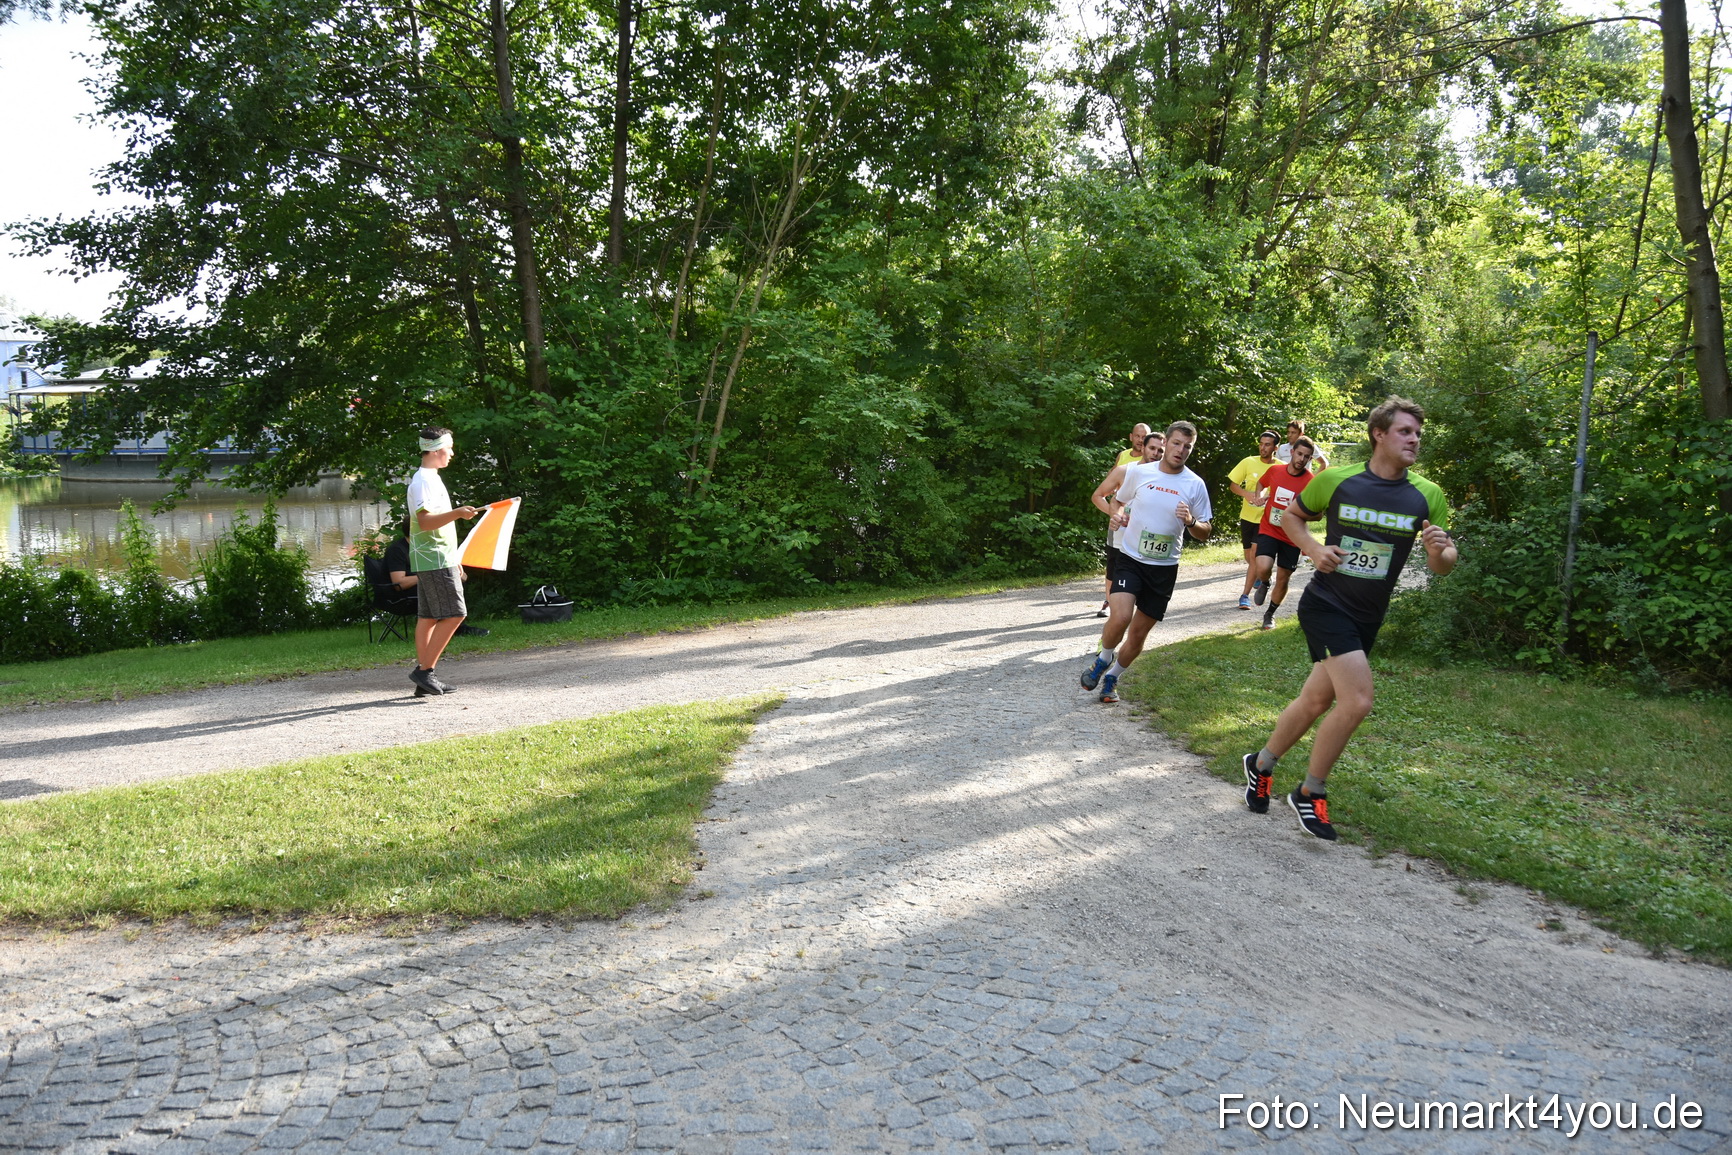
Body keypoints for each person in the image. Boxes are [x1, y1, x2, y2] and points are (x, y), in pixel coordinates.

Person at [1240, 398, 1456, 839]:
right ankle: (1309, 791)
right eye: (1405, 432)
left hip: (1369, 615)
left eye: (1418, 433)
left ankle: (1260, 764)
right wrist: (1315, 550)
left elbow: (1444, 563)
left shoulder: (1427, 495)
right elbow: (1292, 517)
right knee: (1356, 701)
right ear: (1379, 434)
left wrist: (1440, 552)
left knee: (1316, 701)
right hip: (1326, 603)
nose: (1415, 439)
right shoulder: (1337, 480)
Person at [1081, 421, 1213, 704]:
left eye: (1187, 446)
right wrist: (1116, 516)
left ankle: (1113, 677)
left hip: (1164, 568)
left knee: (1139, 634)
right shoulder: (1140, 473)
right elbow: (1117, 501)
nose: (1181, 450)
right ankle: (1103, 658)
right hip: (1131, 558)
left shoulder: (1195, 484)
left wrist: (1191, 521)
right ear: (1165, 443)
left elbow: (1205, 532)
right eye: (1176, 443)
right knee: (1121, 616)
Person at [406, 426, 483, 696]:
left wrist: (455, 556)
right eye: (449, 448)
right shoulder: (424, 481)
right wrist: (457, 513)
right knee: (456, 613)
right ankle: (424, 671)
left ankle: (424, 680)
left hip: (435, 556)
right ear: (437, 451)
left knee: (427, 617)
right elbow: (426, 522)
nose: (452, 453)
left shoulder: (429, 478)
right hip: (434, 556)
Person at [1091, 430, 1165, 619]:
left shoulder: (1167, 476)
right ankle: (1110, 605)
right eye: (1152, 448)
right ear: (1143, 448)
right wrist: (1114, 515)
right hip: (1120, 535)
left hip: (1148, 539)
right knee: (1112, 573)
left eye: (1160, 451)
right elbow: (1098, 496)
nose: (1156, 454)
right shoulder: (1125, 470)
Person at [1248, 435, 1317, 631]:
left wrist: (1295, 514)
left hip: (1293, 536)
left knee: (1284, 577)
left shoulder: (1311, 482)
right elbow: (1261, 484)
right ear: (1292, 452)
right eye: (1300, 454)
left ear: (1310, 459)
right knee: (1263, 566)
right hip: (1270, 529)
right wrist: (1259, 496)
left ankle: (1269, 614)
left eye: (1307, 457)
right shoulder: (1275, 470)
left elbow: (1318, 514)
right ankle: (1264, 581)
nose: (1301, 459)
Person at [384, 519, 490, 638]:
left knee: (453, 583)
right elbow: (400, 583)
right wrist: (430, 575)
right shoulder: (397, 550)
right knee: (441, 586)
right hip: (404, 595)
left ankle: (454, 626)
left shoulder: (430, 548)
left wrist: (455, 573)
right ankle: (456, 628)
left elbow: (463, 577)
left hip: (427, 586)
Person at [1226, 431, 1281, 609]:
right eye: (1261, 443)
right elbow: (1233, 485)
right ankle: (1262, 574)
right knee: (1249, 557)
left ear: (1275, 448)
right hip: (1247, 517)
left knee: (1256, 556)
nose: (1263, 447)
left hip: (1266, 520)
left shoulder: (1281, 467)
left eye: (1267, 444)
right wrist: (1247, 494)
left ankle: (1244, 596)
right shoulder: (1248, 462)